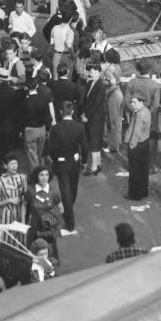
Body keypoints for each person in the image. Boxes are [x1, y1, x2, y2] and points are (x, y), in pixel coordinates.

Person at [44, 100, 88, 235]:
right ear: (73, 112)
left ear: (61, 112)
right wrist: (84, 161)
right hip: (74, 162)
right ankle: (67, 214)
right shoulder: (79, 127)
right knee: (72, 190)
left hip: (61, 163)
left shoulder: (55, 128)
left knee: (65, 191)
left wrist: (53, 158)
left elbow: (50, 148)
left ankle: (69, 221)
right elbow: (85, 147)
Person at [25, 165, 64, 263]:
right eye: (41, 175)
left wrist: (49, 219)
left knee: (49, 255)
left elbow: (61, 209)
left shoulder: (53, 192)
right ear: (36, 177)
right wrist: (23, 222)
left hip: (48, 230)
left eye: (46, 175)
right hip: (34, 229)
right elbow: (23, 206)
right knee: (34, 256)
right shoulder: (30, 191)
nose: (44, 177)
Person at [124, 94, 152, 202]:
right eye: (131, 102)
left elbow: (136, 131)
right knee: (143, 169)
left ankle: (134, 194)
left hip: (137, 144)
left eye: (134, 102)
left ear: (141, 102)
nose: (132, 104)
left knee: (135, 170)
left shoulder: (140, 114)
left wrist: (131, 145)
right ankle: (143, 191)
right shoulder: (145, 111)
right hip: (144, 142)